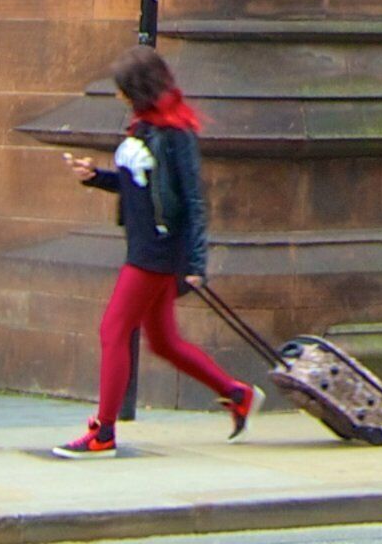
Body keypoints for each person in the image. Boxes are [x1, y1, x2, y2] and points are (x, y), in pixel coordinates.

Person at [55, 46, 259, 458]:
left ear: (139, 89)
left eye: (123, 90)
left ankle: (104, 433)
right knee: (163, 342)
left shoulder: (174, 132)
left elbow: (194, 202)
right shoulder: (146, 125)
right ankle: (236, 393)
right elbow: (140, 186)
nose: (118, 97)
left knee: (113, 331)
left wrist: (197, 264)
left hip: (157, 252)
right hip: (146, 245)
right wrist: (96, 177)